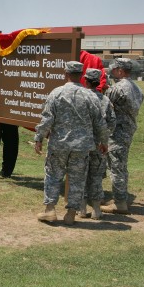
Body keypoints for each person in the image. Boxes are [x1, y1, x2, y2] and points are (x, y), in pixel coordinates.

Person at [34, 61, 108, 225]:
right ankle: (71, 214)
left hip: (59, 144)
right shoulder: (90, 96)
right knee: (77, 179)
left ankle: (50, 210)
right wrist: (104, 141)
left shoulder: (56, 93)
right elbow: (100, 123)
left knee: (53, 175)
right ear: (81, 75)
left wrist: (39, 138)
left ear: (65, 74)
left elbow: (47, 119)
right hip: (81, 147)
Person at [101, 58, 144, 214]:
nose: (111, 72)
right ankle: (120, 198)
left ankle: (120, 204)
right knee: (121, 166)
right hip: (128, 130)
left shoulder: (117, 88)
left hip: (116, 132)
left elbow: (104, 107)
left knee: (116, 167)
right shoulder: (137, 88)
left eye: (113, 70)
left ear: (120, 70)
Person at [80, 68, 116, 220]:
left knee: (80, 176)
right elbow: (112, 122)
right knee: (95, 177)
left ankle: (81, 210)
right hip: (99, 144)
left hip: (81, 144)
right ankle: (96, 210)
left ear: (86, 81)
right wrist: (104, 139)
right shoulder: (105, 100)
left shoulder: (80, 97)